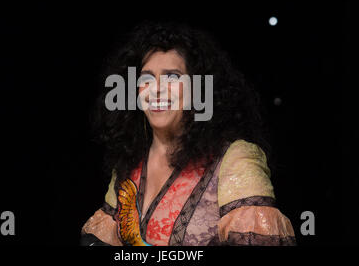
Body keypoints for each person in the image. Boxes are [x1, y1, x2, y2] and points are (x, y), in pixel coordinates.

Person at [81, 21, 296, 246]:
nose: (156, 89)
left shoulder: (235, 159)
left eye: (172, 77)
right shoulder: (128, 164)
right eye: (146, 78)